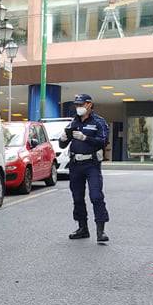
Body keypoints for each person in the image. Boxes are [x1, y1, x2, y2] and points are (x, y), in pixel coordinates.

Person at [59, 94, 110, 243]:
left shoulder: (98, 122)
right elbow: (63, 145)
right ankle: (82, 228)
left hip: (91, 164)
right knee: (77, 197)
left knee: (96, 196)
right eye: (76, 105)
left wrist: (85, 138)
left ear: (89, 104)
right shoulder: (73, 122)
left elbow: (103, 142)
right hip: (75, 164)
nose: (78, 107)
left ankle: (101, 231)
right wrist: (63, 138)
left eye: (80, 104)